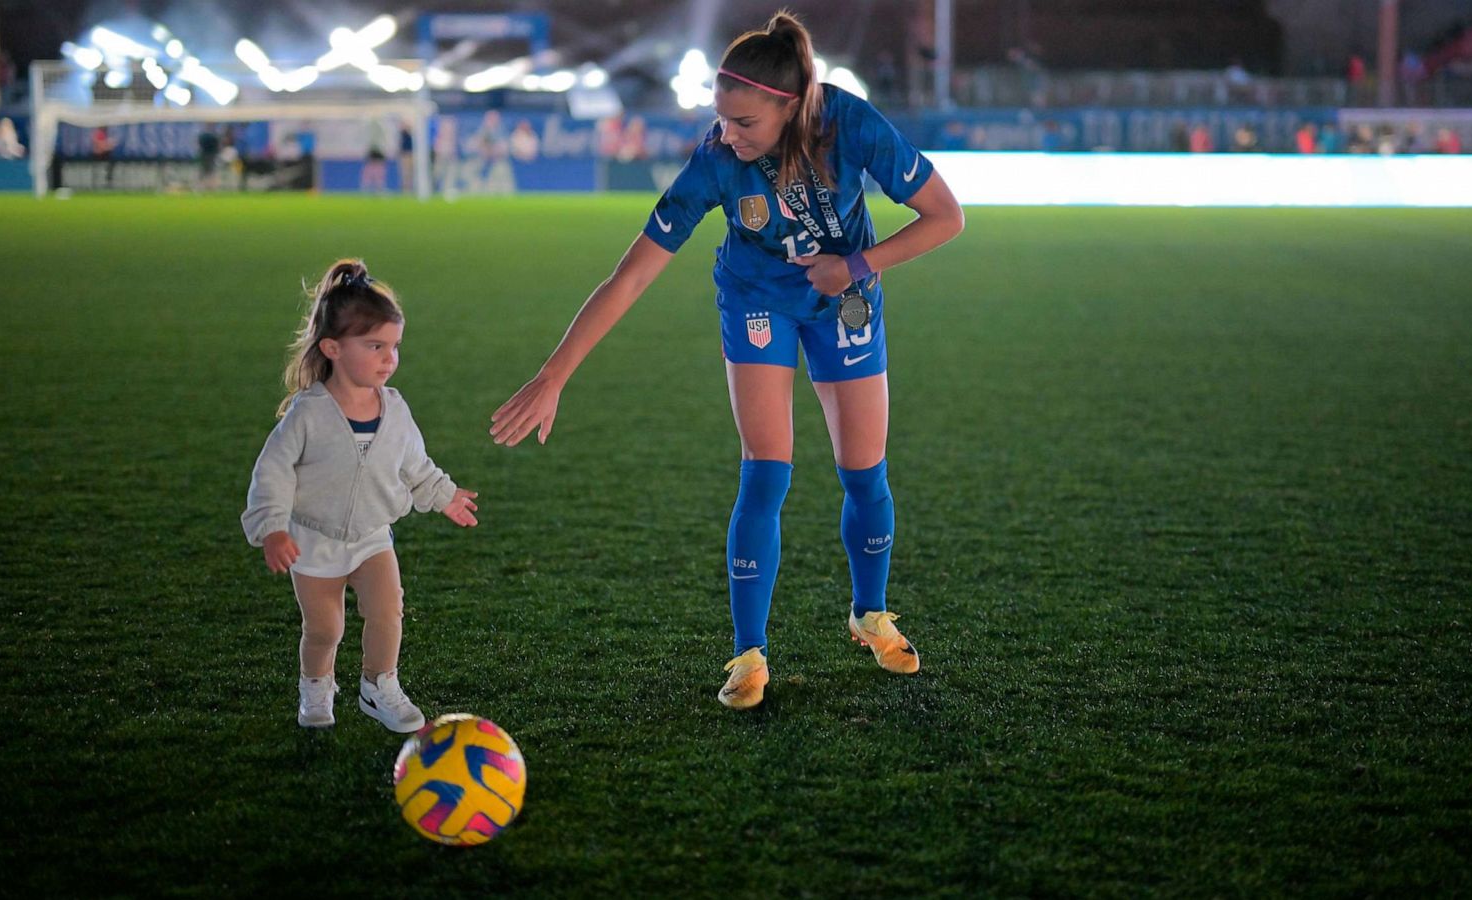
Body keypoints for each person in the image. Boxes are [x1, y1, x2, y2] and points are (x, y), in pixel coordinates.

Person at [489, 11, 964, 710]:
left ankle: (871, 612)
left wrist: (855, 264)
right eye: (722, 118)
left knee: (865, 472)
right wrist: (554, 373)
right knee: (767, 471)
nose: (726, 134)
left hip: (844, 298)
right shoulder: (716, 162)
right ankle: (749, 655)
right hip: (756, 301)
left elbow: (946, 216)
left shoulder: (850, 124)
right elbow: (631, 275)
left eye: (744, 122)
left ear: (790, 106)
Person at [242, 260, 480, 731]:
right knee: (326, 629)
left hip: (372, 536)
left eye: (394, 346)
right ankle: (315, 689)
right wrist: (271, 528)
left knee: (388, 610)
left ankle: (379, 685)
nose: (389, 358)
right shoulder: (307, 414)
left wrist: (446, 495)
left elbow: (416, 466)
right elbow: (272, 472)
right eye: (375, 346)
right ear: (332, 348)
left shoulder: (395, 409)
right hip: (313, 540)